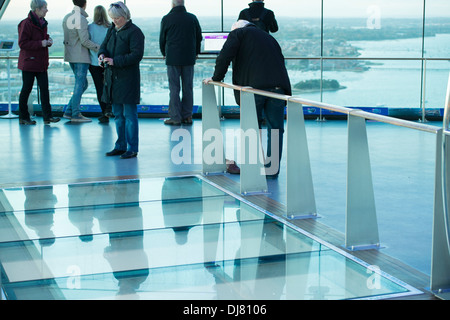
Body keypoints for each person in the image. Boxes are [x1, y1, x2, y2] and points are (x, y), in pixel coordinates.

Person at [205, 20, 291, 178]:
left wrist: (216, 78)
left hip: (254, 89)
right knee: (275, 129)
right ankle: (271, 170)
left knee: (251, 127)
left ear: (236, 29)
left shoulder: (238, 33)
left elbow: (224, 57)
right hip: (278, 89)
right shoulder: (269, 37)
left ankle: (252, 169)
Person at [100, 1, 145, 159]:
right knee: (118, 115)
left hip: (128, 80)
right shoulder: (112, 30)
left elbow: (136, 55)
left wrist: (115, 61)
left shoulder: (135, 32)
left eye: (117, 18)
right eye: (112, 18)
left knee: (130, 116)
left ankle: (132, 148)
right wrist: (102, 55)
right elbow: (103, 46)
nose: (114, 21)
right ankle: (120, 145)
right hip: (114, 80)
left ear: (125, 16)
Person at [159, 0, 202, 126]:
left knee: (174, 88)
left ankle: (175, 117)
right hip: (189, 58)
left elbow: (162, 38)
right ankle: (187, 116)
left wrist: (164, 53)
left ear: (172, 4)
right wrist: (196, 52)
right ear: (183, 4)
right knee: (188, 87)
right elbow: (198, 37)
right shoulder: (192, 18)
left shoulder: (167, 19)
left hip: (172, 58)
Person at [17, 0, 60, 125]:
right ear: (37, 9)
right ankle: (24, 117)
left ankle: (48, 116)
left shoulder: (42, 23)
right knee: (26, 90)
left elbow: (40, 38)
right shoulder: (26, 24)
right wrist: (41, 43)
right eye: (45, 8)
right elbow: (22, 43)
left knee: (45, 90)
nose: (47, 10)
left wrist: (47, 40)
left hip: (40, 63)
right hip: (29, 63)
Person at [62, 0, 100, 122]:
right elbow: (84, 41)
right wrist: (99, 48)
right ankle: (75, 114)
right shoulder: (81, 19)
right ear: (85, 4)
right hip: (80, 56)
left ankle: (69, 111)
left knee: (82, 84)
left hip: (70, 56)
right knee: (80, 84)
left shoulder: (67, 17)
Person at [88, 5, 113, 124]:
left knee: (99, 88)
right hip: (108, 61)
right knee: (109, 86)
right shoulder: (110, 28)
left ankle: (104, 112)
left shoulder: (90, 28)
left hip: (94, 62)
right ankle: (111, 109)